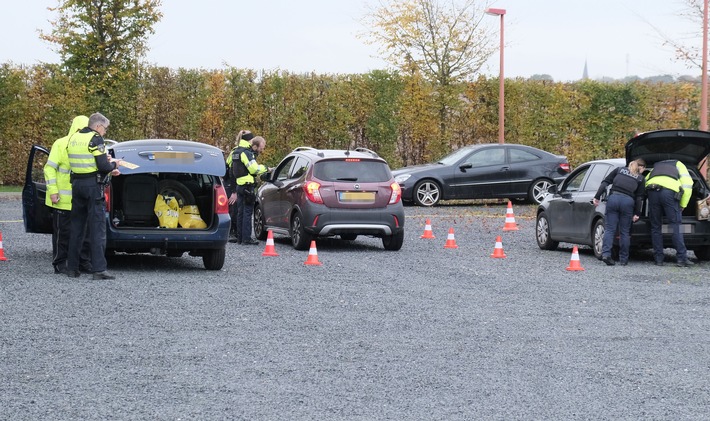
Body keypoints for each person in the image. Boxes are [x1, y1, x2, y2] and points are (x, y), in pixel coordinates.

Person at [66, 113, 122, 279]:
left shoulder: (74, 138)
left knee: (76, 227)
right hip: (92, 186)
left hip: (76, 185)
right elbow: (103, 166)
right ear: (98, 126)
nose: (104, 132)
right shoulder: (96, 139)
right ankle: (99, 270)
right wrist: (114, 164)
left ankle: (72, 268)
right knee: (97, 228)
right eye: (104, 129)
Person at [43, 115, 93, 274]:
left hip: (79, 197)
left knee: (84, 233)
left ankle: (82, 262)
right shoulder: (61, 144)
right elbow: (49, 168)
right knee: (63, 234)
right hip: (62, 199)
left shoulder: (89, 143)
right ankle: (60, 263)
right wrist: (53, 191)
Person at [593, 159, 646, 266]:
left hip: (613, 199)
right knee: (625, 232)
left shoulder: (619, 170)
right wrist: (637, 213)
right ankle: (623, 259)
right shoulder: (640, 178)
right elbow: (640, 198)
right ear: (641, 168)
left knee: (609, 229)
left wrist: (597, 197)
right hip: (628, 202)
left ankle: (606, 255)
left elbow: (605, 183)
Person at [645, 158, 695, 267]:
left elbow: (646, 179)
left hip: (652, 191)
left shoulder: (656, 165)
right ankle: (682, 258)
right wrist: (683, 204)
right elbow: (687, 184)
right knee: (675, 225)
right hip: (669, 193)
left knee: (655, 226)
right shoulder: (679, 163)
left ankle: (659, 259)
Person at [232, 135, 268, 245]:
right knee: (247, 213)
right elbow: (254, 169)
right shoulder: (246, 153)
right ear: (253, 144)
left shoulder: (235, 152)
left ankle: (240, 238)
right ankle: (246, 239)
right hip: (248, 186)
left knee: (240, 212)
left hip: (239, 185)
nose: (262, 150)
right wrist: (266, 168)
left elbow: (230, 167)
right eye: (261, 147)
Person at [224, 130, 253, 242]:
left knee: (239, 209)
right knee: (234, 208)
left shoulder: (237, 151)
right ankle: (232, 232)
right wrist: (233, 191)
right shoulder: (239, 152)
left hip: (235, 183)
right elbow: (230, 171)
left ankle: (237, 233)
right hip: (233, 183)